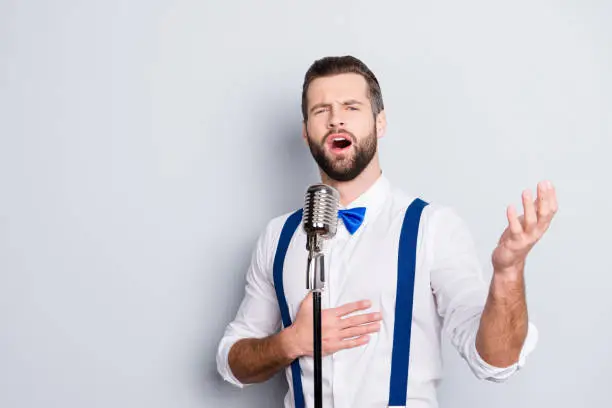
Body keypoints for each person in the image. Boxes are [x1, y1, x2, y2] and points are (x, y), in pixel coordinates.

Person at [216, 56, 558, 408]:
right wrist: (291, 342)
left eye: (351, 107)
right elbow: (231, 361)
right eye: (321, 110)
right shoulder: (278, 237)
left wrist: (508, 273)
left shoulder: (431, 227)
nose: (336, 119)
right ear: (306, 132)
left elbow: (495, 363)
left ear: (380, 123)